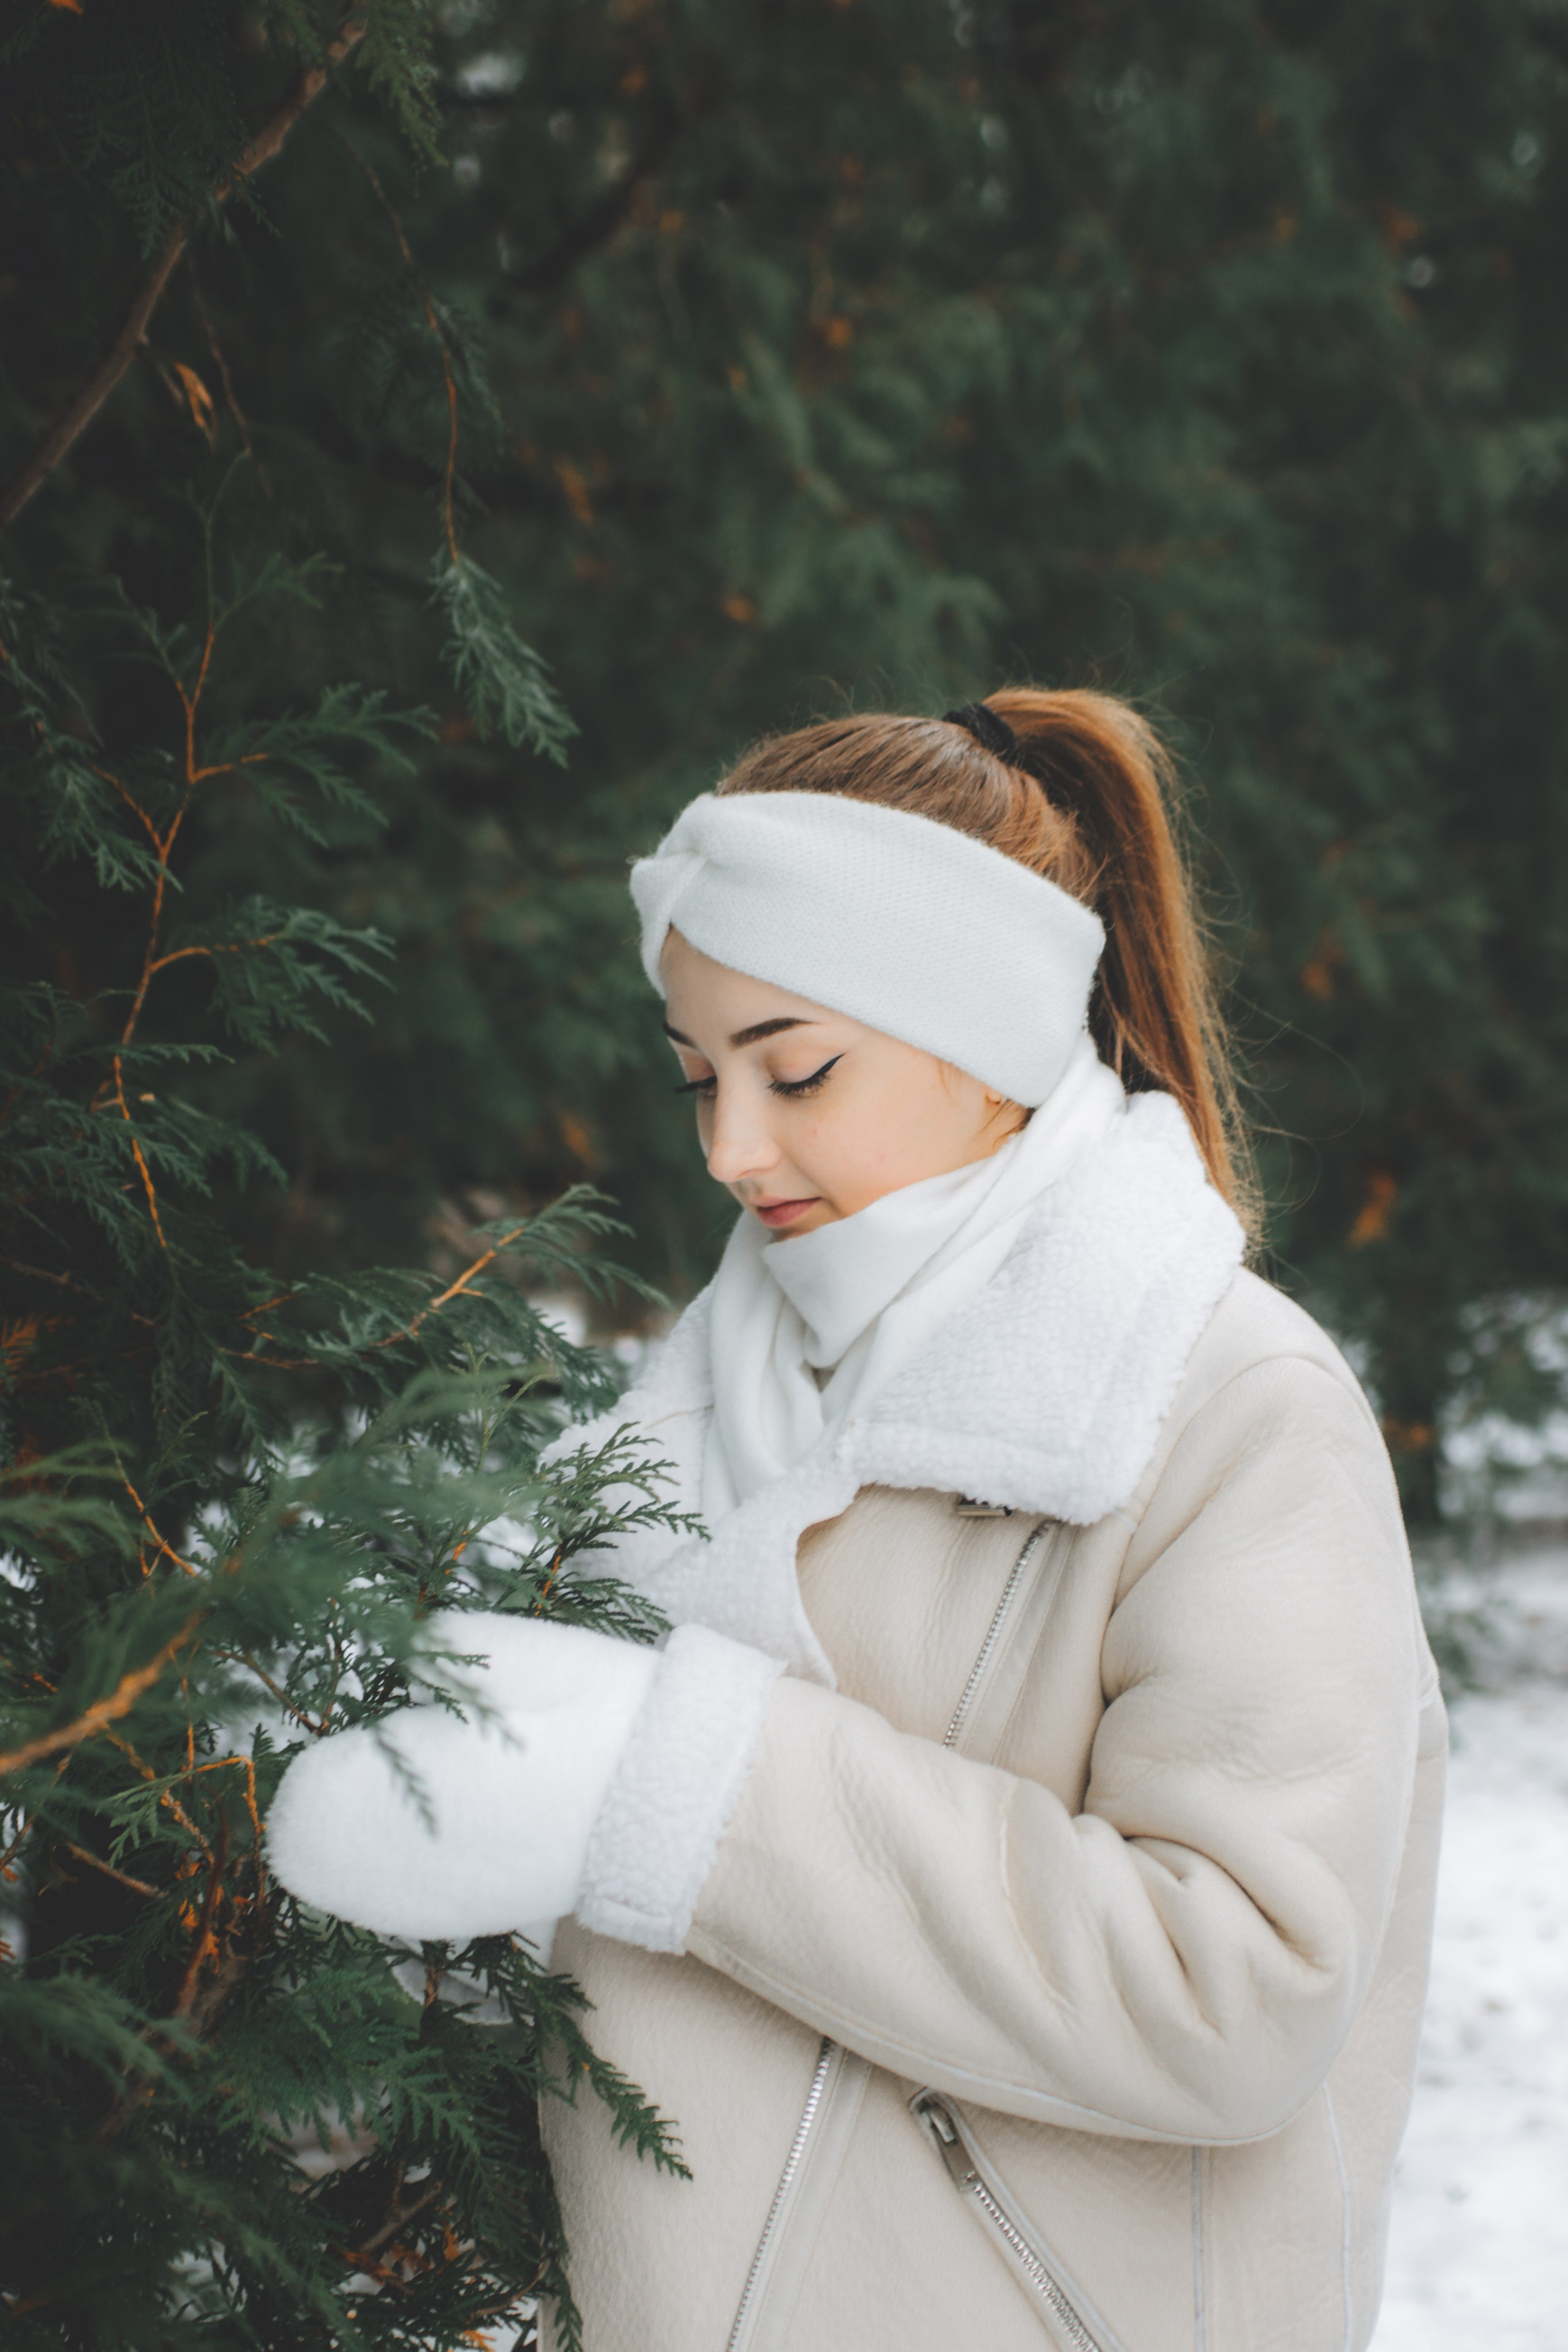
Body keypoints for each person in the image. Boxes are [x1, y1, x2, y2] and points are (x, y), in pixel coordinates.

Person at [270, 690, 1446, 2352]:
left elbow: (1236, 1988)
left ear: (990, 1029)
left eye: (796, 1067)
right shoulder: (691, 1413)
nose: (729, 1146)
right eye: (698, 1076)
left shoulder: (1230, 1405)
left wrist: (687, 1782)